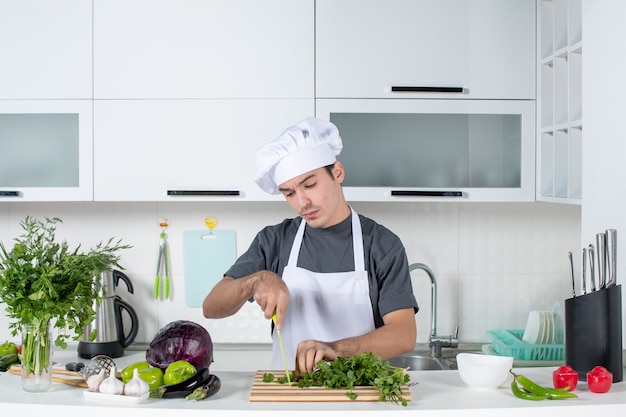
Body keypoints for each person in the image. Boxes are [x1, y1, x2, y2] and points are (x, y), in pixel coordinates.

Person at [202, 117, 418, 373]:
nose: (302, 202)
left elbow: (403, 334)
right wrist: (255, 280)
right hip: (289, 393)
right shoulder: (275, 240)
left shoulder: (382, 244)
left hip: (358, 394)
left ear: (337, 172)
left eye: (310, 184)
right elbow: (211, 307)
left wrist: (335, 350)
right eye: (289, 193)